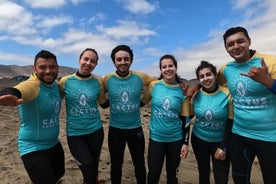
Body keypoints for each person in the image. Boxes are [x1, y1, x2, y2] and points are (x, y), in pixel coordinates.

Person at [217, 26, 276, 184]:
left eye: (240, 41)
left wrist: (268, 81)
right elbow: (213, 86)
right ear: (226, 49)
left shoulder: (270, 62)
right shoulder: (225, 69)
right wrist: (194, 87)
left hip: (270, 137)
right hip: (239, 135)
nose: (236, 46)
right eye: (230, 44)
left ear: (249, 41)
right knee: (239, 179)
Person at [0, 50, 65, 184]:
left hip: (54, 144)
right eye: (42, 67)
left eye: (52, 67)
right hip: (33, 148)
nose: (48, 71)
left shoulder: (56, 86)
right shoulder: (33, 85)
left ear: (57, 68)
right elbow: (18, 89)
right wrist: (8, 94)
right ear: (34, 69)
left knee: (58, 174)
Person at [102, 44, 156, 184]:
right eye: (119, 59)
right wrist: (104, 103)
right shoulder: (107, 78)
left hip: (135, 129)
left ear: (131, 60)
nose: (122, 62)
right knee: (116, 164)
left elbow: (154, 82)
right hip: (115, 130)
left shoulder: (140, 77)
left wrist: (143, 102)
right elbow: (97, 89)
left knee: (139, 163)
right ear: (114, 61)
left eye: (126, 59)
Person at [58, 48, 109, 184]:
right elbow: (54, 100)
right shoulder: (65, 81)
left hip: (96, 132)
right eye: (85, 59)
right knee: (89, 172)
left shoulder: (98, 82)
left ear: (96, 65)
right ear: (79, 60)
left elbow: (103, 103)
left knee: (94, 166)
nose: (88, 63)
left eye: (93, 61)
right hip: (75, 134)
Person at [140, 54, 190, 184]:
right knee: (153, 175)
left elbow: (186, 120)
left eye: (170, 66)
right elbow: (142, 103)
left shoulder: (182, 90)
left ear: (175, 67)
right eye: (164, 67)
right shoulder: (154, 85)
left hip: (176, 140)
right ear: (161, 70)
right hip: (156, 139)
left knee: (172, 176)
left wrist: (185, 143)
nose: (168, 69)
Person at [191, 60, 233, 184]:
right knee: (203, 173)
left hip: (220, 142)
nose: (205, 79)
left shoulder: (227, 94)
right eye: (201, 76)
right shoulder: (195, 95)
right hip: (199, 140)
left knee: (221, 177)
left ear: (215, 75)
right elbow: (188, 117)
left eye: (208, 74)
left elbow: (231, 123)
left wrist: (224, 146)